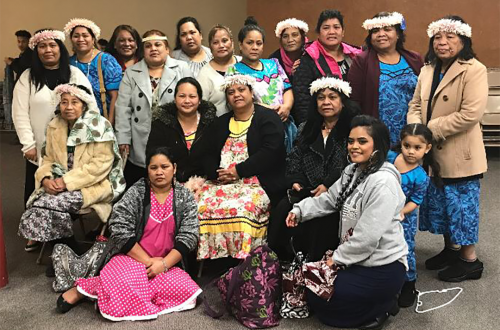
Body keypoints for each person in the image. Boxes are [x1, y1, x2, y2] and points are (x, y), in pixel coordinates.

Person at [286, 115, 407, 329]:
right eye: (351, 141)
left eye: (362, 141)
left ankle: (384, 306)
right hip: (354, 259)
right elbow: (329, 199)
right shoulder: (352, 170)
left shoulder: (383, 183)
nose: (354, 147)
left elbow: (366, 240)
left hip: (382, 265)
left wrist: (334, 261)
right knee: (314, 291)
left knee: (326, 301)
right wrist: (299, 211)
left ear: (378, 145)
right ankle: (372, 303)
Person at [56, 147, 201, 320]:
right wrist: (148, 262)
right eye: (154, 168)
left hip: (166, 262)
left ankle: (103, 290)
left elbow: (190, 235)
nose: (159, 172)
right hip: (131, 258)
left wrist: (162, 265)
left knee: (188, 291)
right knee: (124, 280)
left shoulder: (184, 197)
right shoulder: (136, 193)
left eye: (165, 167)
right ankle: (92, 290)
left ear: (174, 168)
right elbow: (119, 229)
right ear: (147, 170)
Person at [407, 16, 487, 282]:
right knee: (442, 205)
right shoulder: (428, 68)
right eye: (438, 37)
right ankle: (451, 250)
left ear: (463, 40)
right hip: (433, 151)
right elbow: (415, 104)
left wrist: (430, 128)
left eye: (450, 37)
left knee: (461, 207)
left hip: (460, 152)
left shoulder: (474, 69)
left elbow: (470, 114)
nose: (443, 42)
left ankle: (470, 260)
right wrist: (417, 130)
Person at [18, 84, 125, 275]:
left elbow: (101, 165)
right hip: (59, 184)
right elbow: (48, 158)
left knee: (50, 205)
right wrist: (46, 179)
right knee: (38, 203)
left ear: (83, 105)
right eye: (64, 102)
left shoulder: (99, 125)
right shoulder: (54, 124)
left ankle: (64, 254)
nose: (68, 107)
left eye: (74, 102)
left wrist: (67, 182)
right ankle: (71, 252)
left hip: (93, 184)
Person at [12, 29, 96, 252]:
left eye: (53, 45)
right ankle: (34, 232)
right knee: (36, 184)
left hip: (71, 147)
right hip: (39, 146)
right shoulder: (27, 77)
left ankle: (61, 232)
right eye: (42, 46)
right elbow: (19, 111)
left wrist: (90, 138)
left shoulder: (75, 74)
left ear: (61, 48)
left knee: (65, 186)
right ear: (36, 50)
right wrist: (28, 143)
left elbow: (91, 106)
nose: (48, 50)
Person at [268, 76, 359, 262]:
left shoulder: (353, 129)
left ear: (342, 102)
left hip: (338, 189)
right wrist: (296, 180)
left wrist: (327, 185)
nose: (326, 102)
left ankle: (317, 261)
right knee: (283, 208)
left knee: (323, 218)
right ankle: (283, 259)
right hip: (306, 187)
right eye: (321, 98)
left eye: (332, 97)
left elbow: (352, 163)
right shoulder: (306, 128)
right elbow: (294, 157)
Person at [197, 74, 286, 260]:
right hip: (221, 182)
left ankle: (246, 260)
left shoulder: (268, 118)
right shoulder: (220, 123)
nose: (236, 94)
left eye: (241, 90)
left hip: (256, 183)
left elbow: (271, 152)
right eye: (231, 92)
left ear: (251, 92)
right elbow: (206, 152)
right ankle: (211, 258)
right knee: (200, 206)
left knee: (244, 208)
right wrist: (217, 174)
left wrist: (238, 171)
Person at [115, 30, 192, 188]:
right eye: (148, 46)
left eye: (158, 44)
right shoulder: (131, 73)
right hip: (140, 135)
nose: (153, 49)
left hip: (172, 133)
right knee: (144, 181)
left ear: (167, 49)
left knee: (170, 176)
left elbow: (191, 100)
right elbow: (123, 107)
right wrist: (123, 138)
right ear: (143, 51)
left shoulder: (182, 68)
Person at [348, 12, 423, 146]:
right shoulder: (362, 61)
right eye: (375, 31)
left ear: (398, 34)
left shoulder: (414, 59)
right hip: (378, 135)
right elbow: (354, 102)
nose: (381, 34)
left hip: (412, 132)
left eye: (387, 29)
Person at [387, 124, 438, 307]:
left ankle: (409, 284)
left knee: (405, 249)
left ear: (427, 148)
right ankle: (385, 282)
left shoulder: (420, 176)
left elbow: (416, 201)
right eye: (407, 146)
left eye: (417, 148)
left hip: (404, 219)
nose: (411, 151)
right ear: (401, 143)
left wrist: (401, 211)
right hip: (381, 212)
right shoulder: (390, 158)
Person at [227, 17, 296, 152]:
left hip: (284, 122)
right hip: (255, 125)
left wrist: (286, 107)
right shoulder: (234, 70)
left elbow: (287, 88)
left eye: (259, 43)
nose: (255, 47)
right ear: (240, 45)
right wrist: (270, 110)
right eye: (250, 43)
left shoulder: (274, 63)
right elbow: (239, 100)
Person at [293, 10, 361, 125]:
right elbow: (302, 99)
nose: (331, 32)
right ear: (318, 33)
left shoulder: (355, 55)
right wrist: (309, 128)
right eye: (326, 28)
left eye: (336, 27)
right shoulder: (308, 58)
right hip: (321, 124)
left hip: (354, 121)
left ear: (343, 31)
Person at [147, 77, 216, 182]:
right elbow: (154, 156)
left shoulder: (211, 122)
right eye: (182, 96)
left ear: (200, 100)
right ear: (175, 99)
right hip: (170, 183)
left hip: (206, 181)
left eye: (192, 96)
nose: (187, 101)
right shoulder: (161, 123)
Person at [64, 18, 122, 123]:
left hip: (102, 120)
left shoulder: (106, 60)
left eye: (85, 35)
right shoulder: (68, 63)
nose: (80, 39)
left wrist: (110, 124)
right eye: (76, 36)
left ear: (93, 39)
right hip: (76, 122)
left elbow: (115, 96)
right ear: (71, 39)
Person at [197, 24, 241, 116]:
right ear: (210, 47)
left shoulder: (243, 63)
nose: (221, 45)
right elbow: (200, 108)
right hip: (218, 126)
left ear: (232, 42)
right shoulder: (204, 74)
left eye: (225, 41)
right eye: (215, 42)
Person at [269, 18, 309, 83]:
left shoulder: (312, 53)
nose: (290, 40)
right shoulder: (274, 60)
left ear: (303, 37)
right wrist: (292, 76)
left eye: (295, 35)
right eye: (285, 36)